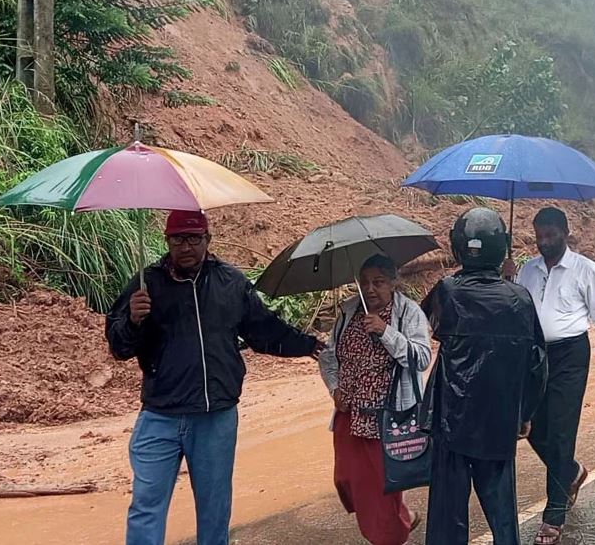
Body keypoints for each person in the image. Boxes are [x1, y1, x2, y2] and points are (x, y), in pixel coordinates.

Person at [106, 210, 324, 545]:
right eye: (178, 239)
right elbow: (119, 347)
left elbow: (263, 330)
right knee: (146, 506)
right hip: (160, 416)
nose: (186, 246)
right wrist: (133, 321)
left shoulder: (230, 282)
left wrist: (309, 345)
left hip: (215, 417)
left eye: (194, 238)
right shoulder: (145, 285)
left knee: (214, 509)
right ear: (167, 242)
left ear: (208, 240)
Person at [421, 207, 548, 545]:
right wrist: (525, 414)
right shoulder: (520, 298)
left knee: (448, 519)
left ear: (456, 247)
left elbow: (428, 320)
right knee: (503, 515)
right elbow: (537, 364)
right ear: (502, 248)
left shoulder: (446, 291)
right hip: (499, 420)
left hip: (452, 421)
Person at [504, 207, 595, 545]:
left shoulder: (586, 270)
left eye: (550, 234)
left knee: (560, 432)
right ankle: (570, 471)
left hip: (571, 355)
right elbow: (515, 311)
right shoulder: (527, 270)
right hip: (535, 356)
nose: (544, 241)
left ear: (565, 233)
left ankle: (553, 517)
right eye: (539, 235)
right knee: (530, 427)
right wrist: (508, 281)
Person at [317, 254, 432, 545]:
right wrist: (334, 389)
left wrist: (386, 332)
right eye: (365, 283)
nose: (370, 289)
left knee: (380, 491)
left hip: (387, 419)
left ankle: (391, 534)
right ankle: (402, 515)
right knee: (346, 481)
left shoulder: (408, 313)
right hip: (350, 414)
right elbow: (329, 356)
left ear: (394, 283)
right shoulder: (348, 313)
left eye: (378, 282)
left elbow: (421, 358)